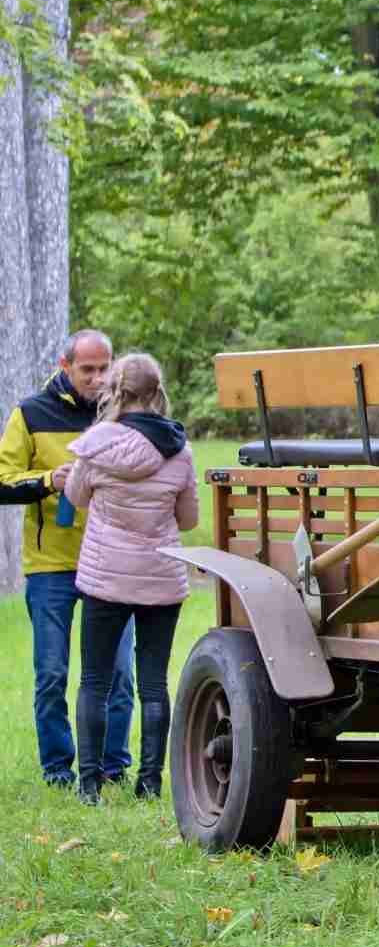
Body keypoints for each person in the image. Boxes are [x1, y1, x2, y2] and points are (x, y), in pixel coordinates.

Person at [0, 329, 135, 789]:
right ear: (65, 366)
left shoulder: (126, 413)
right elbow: (3, 480)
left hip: (112, 562)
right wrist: (48, 480)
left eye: (105, 368)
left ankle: (112, 767)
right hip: (51, 567)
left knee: (119, 674)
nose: (98, 379)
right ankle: (58, 768)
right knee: (52, 672)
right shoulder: (31, 413)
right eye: (88, 370)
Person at [62, 353, 194, 805]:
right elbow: (189, 518)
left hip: (106, 579)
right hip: (161, 576)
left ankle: (88, 784)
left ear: (115, 392)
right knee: (154, 685)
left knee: (94, 682)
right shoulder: (179, 448)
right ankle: (150, 781)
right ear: (157, 391)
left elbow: (76, 497)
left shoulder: (96, 445)